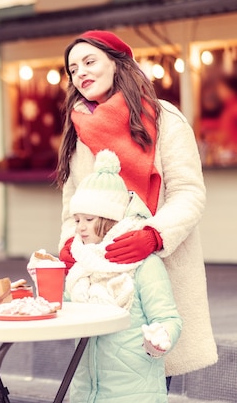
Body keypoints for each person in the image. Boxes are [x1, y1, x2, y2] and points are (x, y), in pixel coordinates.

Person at [56, 30, 217, 379]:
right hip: (100, 277)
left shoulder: (165, 119)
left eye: (89, 61)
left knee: (151, 371)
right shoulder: (78, 131)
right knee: (103, 377)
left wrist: (154, 235)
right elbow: (72, 204)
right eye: (72, 68)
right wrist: (69, 243)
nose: (80, 72)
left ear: (117, 64)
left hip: (156, 270)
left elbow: (189, 192)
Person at [65, 149, 182, 402]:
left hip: (133, 392)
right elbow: (63, 311)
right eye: (76, 220)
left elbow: (168, 318)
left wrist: (160, 340)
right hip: (85, 390)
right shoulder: (82, 264)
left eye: (88, 218)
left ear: (109, 219)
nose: (80, 227)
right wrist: (43, 284)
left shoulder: (144, 265)